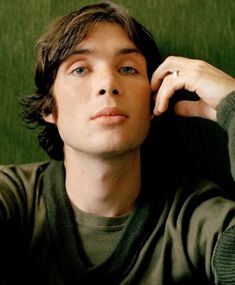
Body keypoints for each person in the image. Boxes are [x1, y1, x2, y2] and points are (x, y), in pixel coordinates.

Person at [1, 1, 235, 284]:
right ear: (49, 108)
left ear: (152, 101)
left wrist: (233, 103)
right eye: (80, 69)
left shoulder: (195, 216)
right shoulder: (13, 197)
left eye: (127, 69)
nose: (107, 83)